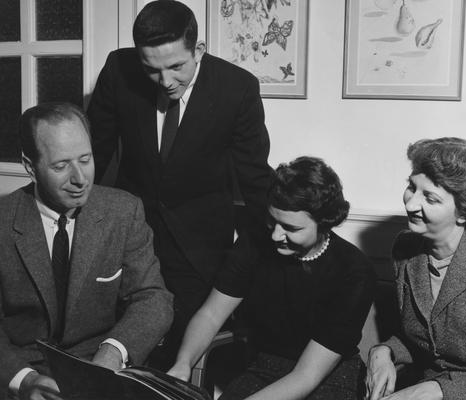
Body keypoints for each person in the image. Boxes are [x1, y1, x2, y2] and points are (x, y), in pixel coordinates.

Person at [86, 0, 272, 364]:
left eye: (176, 66)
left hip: (198, 250)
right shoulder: (118, 69)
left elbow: (255, 179)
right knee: (110, 346)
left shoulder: (237, 88)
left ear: (198, 50)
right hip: (130, 237)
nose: (166, 82)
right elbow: (93, 152)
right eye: (151, 70)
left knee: (172, 357)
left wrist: (284, 240)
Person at [0, 102, 173, 400]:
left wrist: (114, 350)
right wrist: (24, 380)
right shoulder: (4, 220)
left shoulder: (123, 210)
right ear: (30, 167)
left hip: (101, 365)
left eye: (86, 159)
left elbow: (154, 298)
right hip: (20, 369)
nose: (80, 179)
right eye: (61, 166)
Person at [168, 156, 376, 400]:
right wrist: (182, 363)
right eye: (272, 221)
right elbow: (211, 315)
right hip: (264, 367)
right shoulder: (253, 243)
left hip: (329, 377)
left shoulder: (353, 270)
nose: (276, 235)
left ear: (324, 223)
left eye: (291, 228)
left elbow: (307, 375)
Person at [365, 137, 466, 400]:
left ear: (463, 211)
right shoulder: (405, 249)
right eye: (411, 187)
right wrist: (381, 352)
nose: (411, 204)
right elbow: (423, 340)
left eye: (430, 198)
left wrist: (437, 389)